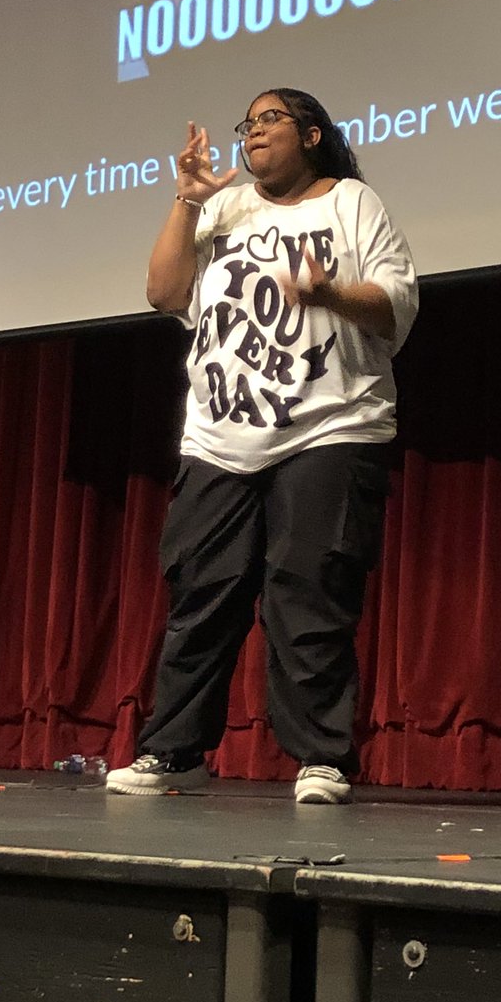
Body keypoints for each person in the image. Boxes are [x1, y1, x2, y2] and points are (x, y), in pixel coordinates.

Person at [105, 88, 417, 803]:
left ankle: (322, 758)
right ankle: (175, 751)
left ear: (312, 134)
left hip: (330, 423)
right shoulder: (225, 207)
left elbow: (398, 304)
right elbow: (163, 291)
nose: (253, 133)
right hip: (220, 433)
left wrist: (328, 292)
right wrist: (187, 201)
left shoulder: (350, 204)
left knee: (307, 593)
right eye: (247, 123)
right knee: (201, 594)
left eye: (269, 119)